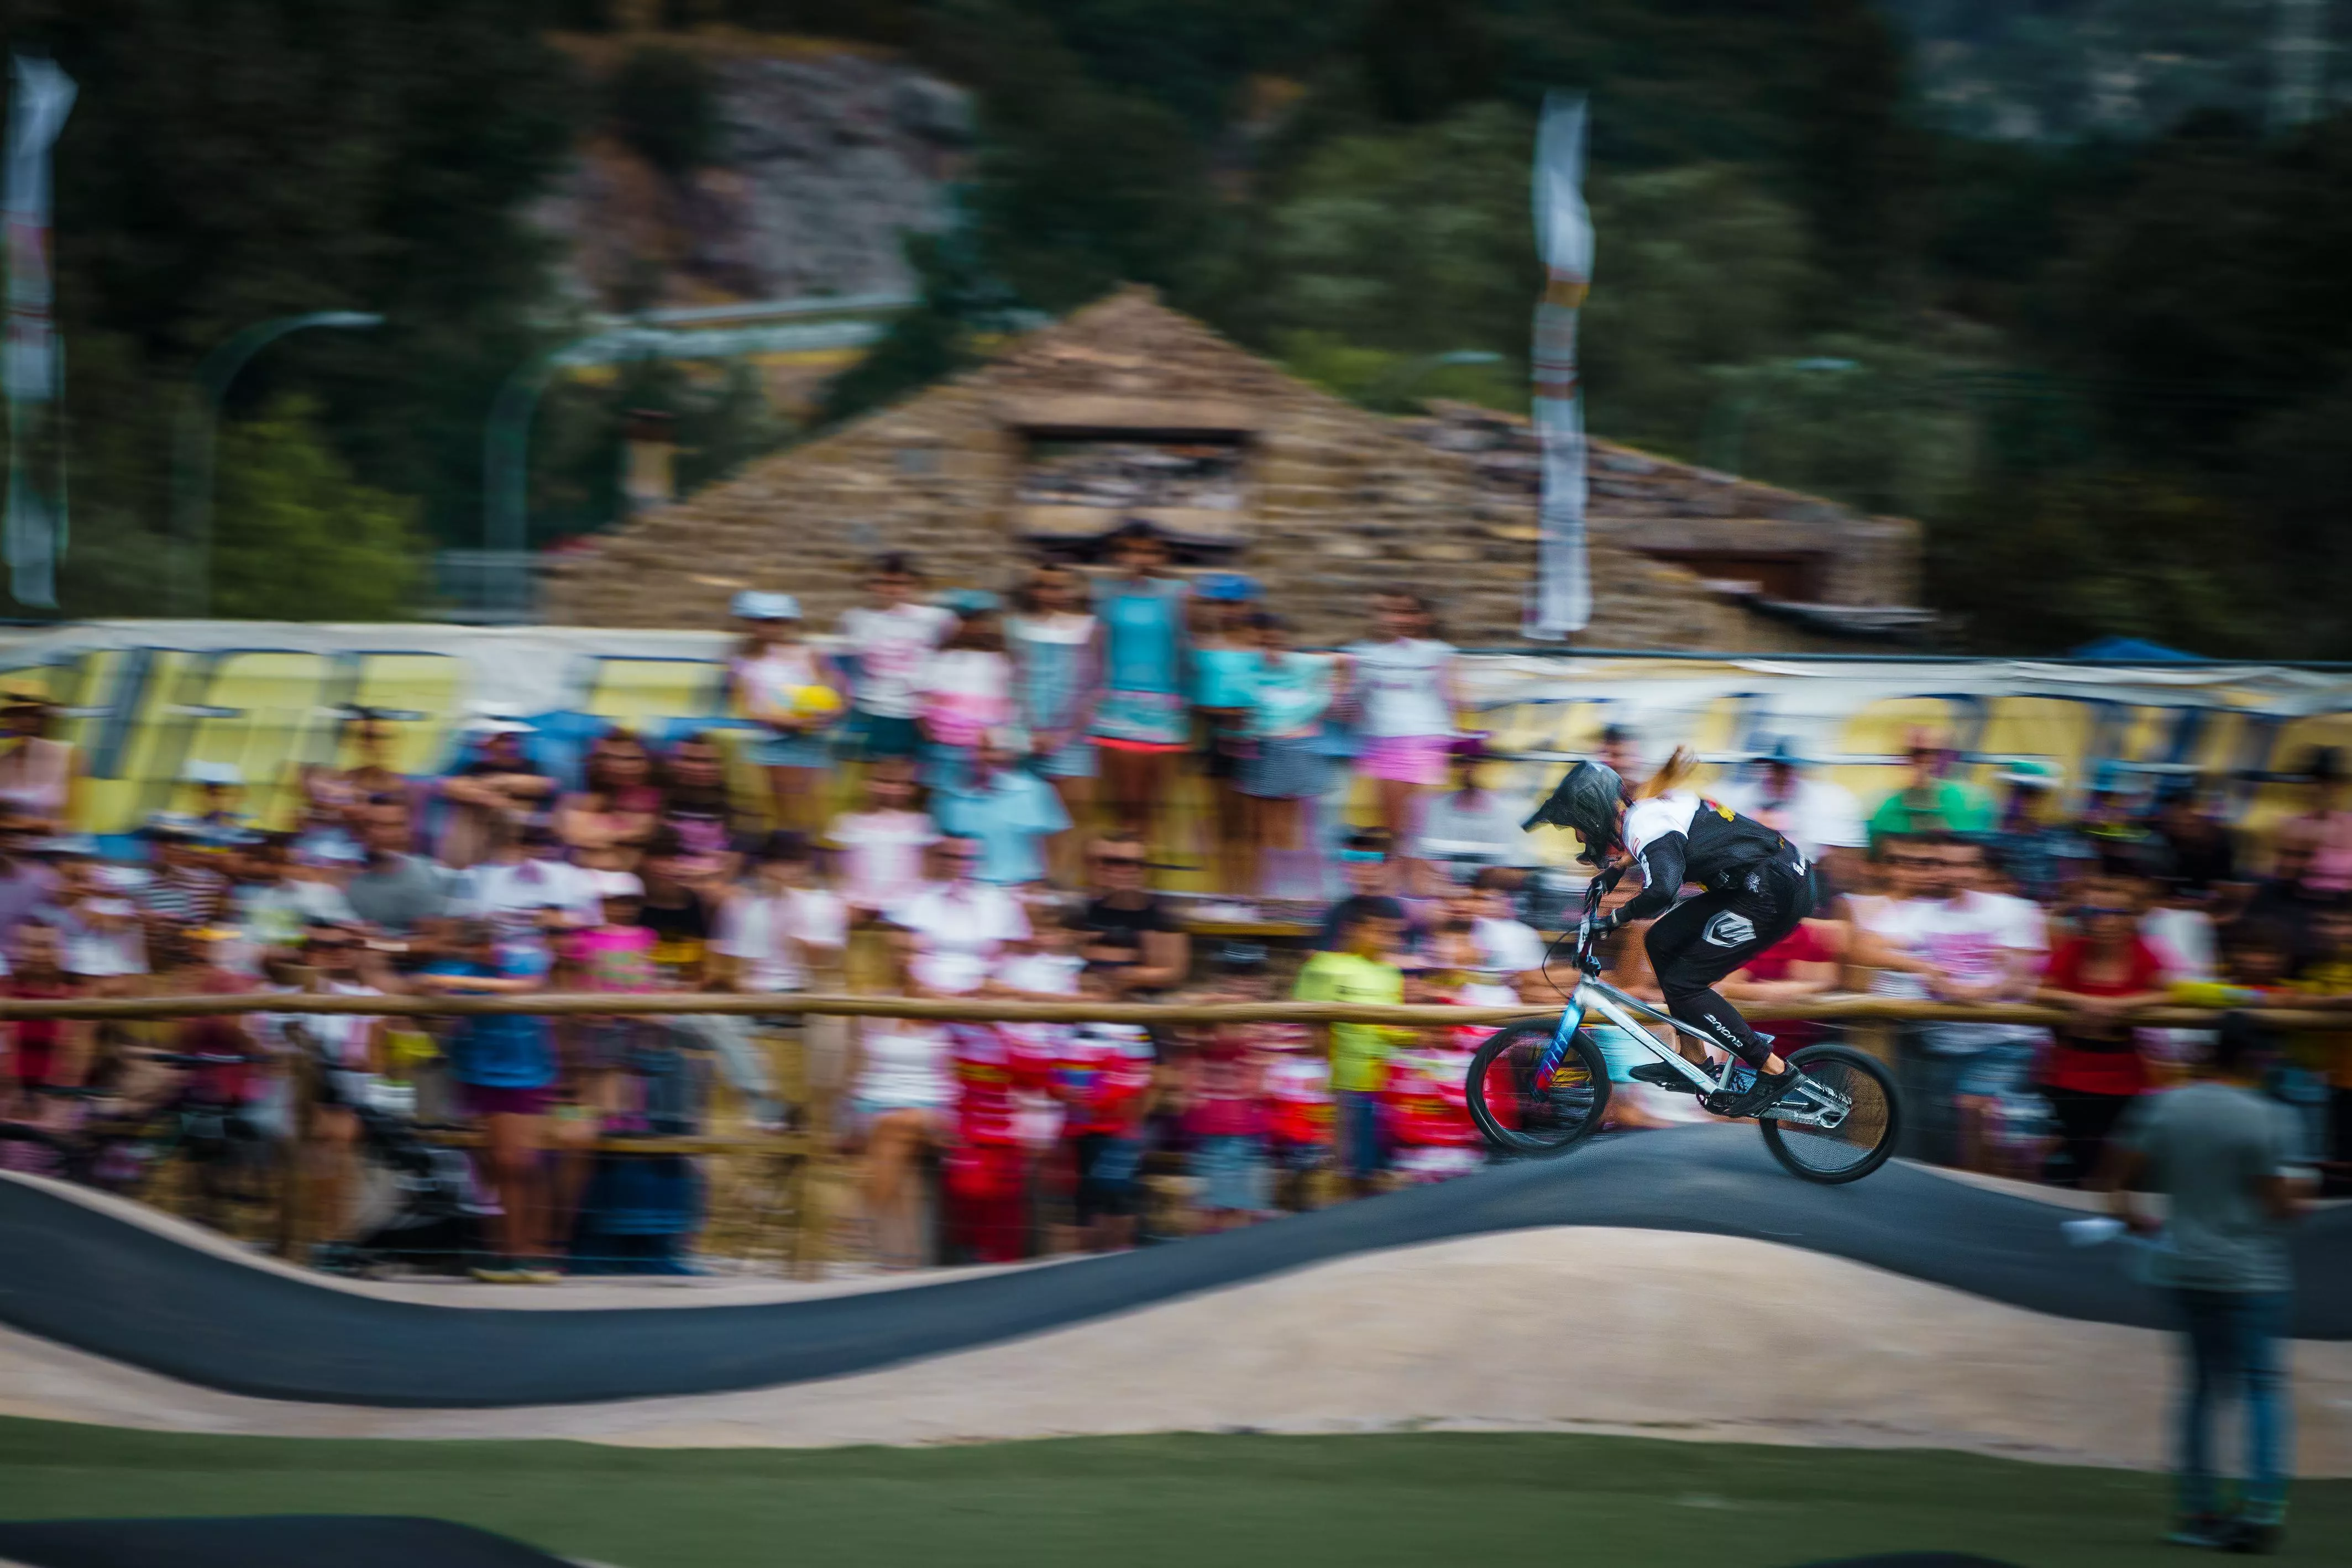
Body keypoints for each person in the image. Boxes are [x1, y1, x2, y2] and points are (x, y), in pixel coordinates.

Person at [2100, 1012, 2314, 1553]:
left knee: (2198, 1389)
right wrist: (2299, 1193)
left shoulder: (2164, 1105)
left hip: (2183, 1267)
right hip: (2251, 1272)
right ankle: (2261, 1508)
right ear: (2257, 1059)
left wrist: (2134, 1217)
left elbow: (2116, 1180)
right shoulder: (2271, 1117)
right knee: (2261, 1386)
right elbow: (2281, 1204)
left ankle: (2196, 1510)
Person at [1521, 748, 1816, 1117]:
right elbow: (1670, 838)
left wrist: (1614, 920)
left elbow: (1662, 890)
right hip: (1760, 882)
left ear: (1591, 814)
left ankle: (1774, 1071)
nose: (1579, 836)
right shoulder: (1644, 814)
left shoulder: (1645, 824)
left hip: (1771, 889)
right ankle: (1693, 1059)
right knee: (1660, 940)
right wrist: (1617, 869)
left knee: (1685, 982)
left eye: (1575, 826)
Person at [416, 920, 560, 1282]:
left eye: (494, 941)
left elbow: (524, 986)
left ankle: (525, 1250)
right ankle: (506, 1252)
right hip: (481, 1074)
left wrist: (463, 987)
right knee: (500, 1164)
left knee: (523, 1164)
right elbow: (423, 985)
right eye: (480, 941)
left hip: (530, 1073)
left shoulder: (525, 960)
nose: (489, 948)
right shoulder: (457, 966)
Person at [2034, 861, 2173, 1185]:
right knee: (2084, 1159)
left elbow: (2166, 994)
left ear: (2132, 918)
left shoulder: (2143, 953)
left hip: (2125, 1073)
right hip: (2071, 1071)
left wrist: (2118, 1005)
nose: (2104, 921)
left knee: (2121, 1160)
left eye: (2115, 913)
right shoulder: (2073, 950)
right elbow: (2042, 992)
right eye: (2095, 912)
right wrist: (2082, 1001)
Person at [1293, 894, 1407, 1195]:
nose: (1387, 940)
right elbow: (1315, 1029)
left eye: (1392, 932)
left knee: (1376, 1169)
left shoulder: (1390, 972)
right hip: (1344, 1087)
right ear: (1353, 928)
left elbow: (1390, 1028)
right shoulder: (1324, 967)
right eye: (1379, 930)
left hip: (1385, 1086)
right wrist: (1330, 1082)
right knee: (1346, 1169)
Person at [1088, 521, 1191, 843]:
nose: (1141, 558)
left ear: (1163, 556)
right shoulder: (1104, 593)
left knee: (1152, 803)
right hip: (1117, 704)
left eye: (1150, 552)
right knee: (1123, 801)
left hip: (1163, 707)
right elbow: (1095, 649)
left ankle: (1139, 874)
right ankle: (1120, 874)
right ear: (1119, 555)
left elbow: (1186, 648)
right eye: (1133, 551)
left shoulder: (1179, 595)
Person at [1338, 589, 1462, 843]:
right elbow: (1349, 706)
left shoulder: (1439, 652)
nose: (1397, 619)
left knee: (1423, 831)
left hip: (1426, 743)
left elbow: (1456, 699)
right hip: (1384, 743)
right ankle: (1399, 879)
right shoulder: (1363, 653)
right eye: (1389, 612)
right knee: (1395, 832)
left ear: (1423, 617)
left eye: (1406, 612)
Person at [1005, 561, 1102, 883]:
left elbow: (1096, 684)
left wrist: (1066, 732)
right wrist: (1032, 730)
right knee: (1028, 811)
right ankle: (1030, 881)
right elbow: (1015, 680)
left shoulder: (1090, 627)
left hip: (1075, 735)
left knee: (1070, 816)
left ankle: (1062, 882)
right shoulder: (1017, 626)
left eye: (1060, 587)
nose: (1052, 594)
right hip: (1027, 732)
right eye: (1044, 586)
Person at [726, 590, 842, 833]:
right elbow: (748, 707)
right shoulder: (744, 662)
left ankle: (811, 858)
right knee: (783, 807)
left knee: (813, 804)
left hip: (811, 740)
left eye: (775, 621)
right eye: (759, 621)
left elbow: (835, 693)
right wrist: (783, 721)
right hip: (774, 741)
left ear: (790, 623)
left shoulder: (809, 655)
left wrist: (827, 714)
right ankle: (789, 857)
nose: (767, 628)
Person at [1237, 611, 1332, 900]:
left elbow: (1344, 663)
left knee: (1290, 827)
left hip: (1294, 747)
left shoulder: (1303, 665)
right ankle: (1261, 893)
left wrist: (1314, 708)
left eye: (1278, 643)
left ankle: (1288, 894)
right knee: (1259, 828)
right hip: (1259, 748)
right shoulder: (1248, 668)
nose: (1272, 650)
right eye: (1265, 643)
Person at [837, 552, 954, 765]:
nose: (891, 589)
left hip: (915, 712)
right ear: (870, 585)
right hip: (872, 709)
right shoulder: (855, 619)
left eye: (900, 583)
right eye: (884, 582)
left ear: (913, 585)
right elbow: (848, 668)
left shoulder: (935, 619)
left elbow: (949, 656)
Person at [1713, 736, 1868, 894]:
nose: (1781, 774)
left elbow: (1816, 853)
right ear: (1769, 769)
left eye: (1786, 768)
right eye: (1777, 768)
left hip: (1800, 878)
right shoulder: (1746, 798)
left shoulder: (1817, 802)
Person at [1188, 573, 1261, 893]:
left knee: (1251, 825)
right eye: (1220, 603)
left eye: (1233, 603)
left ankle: (1248, 892)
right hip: (1216, 736)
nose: (1226, 610)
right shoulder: (1201, 645)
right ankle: (1224, 892)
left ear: (1247, 605)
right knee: (1221, 820)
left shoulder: (1260, 645)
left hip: (1255, 738)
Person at [932, 727, 1070, 887]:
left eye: (993, 750)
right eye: (978, 750)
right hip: (968, 893)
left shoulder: (1036, 791)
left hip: (1022, 890)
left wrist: (1045, 885)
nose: (984, 757)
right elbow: (937, 851)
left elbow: (1059, 845)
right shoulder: (950, 797)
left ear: (1010, 755)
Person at [1412, 734, 1539, 895]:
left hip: (1495, 908)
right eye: (1462, 761)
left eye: (1477, 761)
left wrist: (1477, 884)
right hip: (1440, 907)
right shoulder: (1430, 808)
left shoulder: (1515, 809)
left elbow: (1520, 877)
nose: (1469, 769)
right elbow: (1417, 876)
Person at [915, 594, 1017, 792]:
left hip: (986, 750)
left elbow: (1009, 705)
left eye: (980, 621)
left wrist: (999, 743)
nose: (973, 627)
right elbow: (924, 701)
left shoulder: (1001, 660)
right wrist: (929, 734)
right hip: (944, 745)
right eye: (965, 621)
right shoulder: (939, 658)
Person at [433, 712, 557, 869]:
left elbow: (544, 786)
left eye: (511, 739)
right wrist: (490, 798)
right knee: (468, 814)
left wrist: (497, 786)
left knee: (502, 814)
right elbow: (450, 787)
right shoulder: (474, 768)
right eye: (500, 740)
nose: (508, 747)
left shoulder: (532, 766)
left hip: (523, 828)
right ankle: (460, 870)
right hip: (483, 832)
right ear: (486, 743)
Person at [824, 757, 937, 915]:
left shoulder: (921, 823)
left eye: (898, 783)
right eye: (882, 781)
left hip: (906, 905)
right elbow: (833, 863)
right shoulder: (848, 821)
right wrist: (846, 897)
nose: (890, 788)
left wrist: (914, 897)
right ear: (867, 784)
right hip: (854, 902)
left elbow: (929, 864)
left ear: (910, 789)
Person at [1077, 832, 1188, 994]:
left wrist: (1127, 975)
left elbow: (1174, 972)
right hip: (1093, 1003)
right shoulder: (1088, 912)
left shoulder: (1161, 917)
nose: (1132, 870)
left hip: (1143, 1005)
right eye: (1119, 863)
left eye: (1140, 864)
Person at [343, 796, 452, 935]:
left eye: (394, 826)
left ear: (406, 831)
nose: (383, 834)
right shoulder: (343, 871)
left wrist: (376, 942)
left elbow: (432, 941)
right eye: (373, 824)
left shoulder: (422, 880)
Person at [556, 728, 662, 870]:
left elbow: (642, 833)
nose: (621, 766)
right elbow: (574, 835)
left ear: (647, 762)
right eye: (610, 758)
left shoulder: (655, 797)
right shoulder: (575, 798)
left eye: (632, 759)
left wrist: (597, 834)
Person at [1866, 735, 1993, 846]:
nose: (1926, 761)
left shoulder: (1971, 802)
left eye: (1935, 754)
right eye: (1917, 754)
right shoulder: (1887, 809)